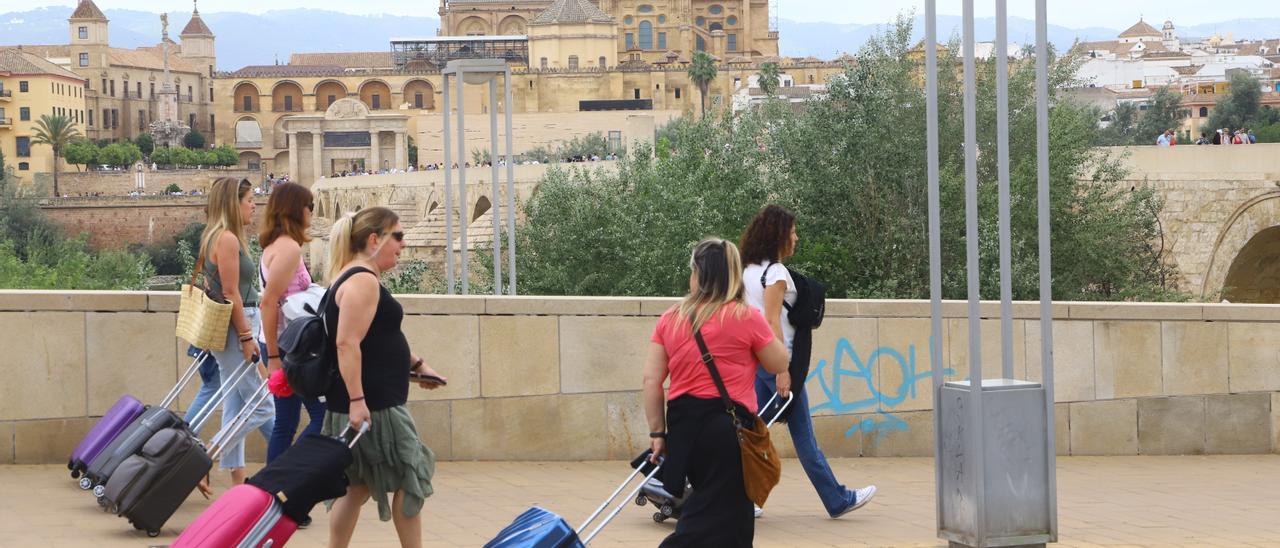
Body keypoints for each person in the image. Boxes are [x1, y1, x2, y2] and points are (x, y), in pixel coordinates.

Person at [643, 238, 789, 548]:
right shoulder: (744, 316)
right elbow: (779, 362)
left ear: (697, 273)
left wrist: (658, 433)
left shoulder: (671, 318)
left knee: (726, 516)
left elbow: (651, 381)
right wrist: (772, 322)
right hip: (726, 432)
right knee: (717, 519)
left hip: (684, 431)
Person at [739, 205, 877, 519]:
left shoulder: (747, 271)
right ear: (778, 236)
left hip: (758, 363)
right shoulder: (775, 274)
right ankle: (838, 499)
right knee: (803, 440)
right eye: (792, 232)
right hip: (778, 365)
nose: (796, 237)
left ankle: (746, 498)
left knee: (753, 432)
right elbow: (772, 322)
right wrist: (784, 371)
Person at [322, 207, 445, 548]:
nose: (403, 245)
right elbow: (346, 343)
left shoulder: (353, 275)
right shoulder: (362, 280)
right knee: (411, 475)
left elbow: (379, 337)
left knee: (356, 484)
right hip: (375, 405)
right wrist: (358, 402)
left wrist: (417, 366)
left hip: (364, 400)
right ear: (374, 239)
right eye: (399, 236)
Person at [200, 177, 275, 486]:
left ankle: (239, 485)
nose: (254, 204)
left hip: (232, 328)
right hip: (237, 328)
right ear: (233, 204)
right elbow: (231, 292)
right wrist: (247, 338)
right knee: (264, 404)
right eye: (248, 200)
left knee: (234, 406)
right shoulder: (227, 239)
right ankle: (204, 457)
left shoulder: (213, 237)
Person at [257, 182, 327, 468]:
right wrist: (274, 358)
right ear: (296, 210)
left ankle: (271, 491)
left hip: (280, 344)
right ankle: (290, 473)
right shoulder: (288, 249)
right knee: (323, 417)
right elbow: (269, 302)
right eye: (309, 206)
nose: (312, 211)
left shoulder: (275, 245)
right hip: (289, 347)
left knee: (285, 423)